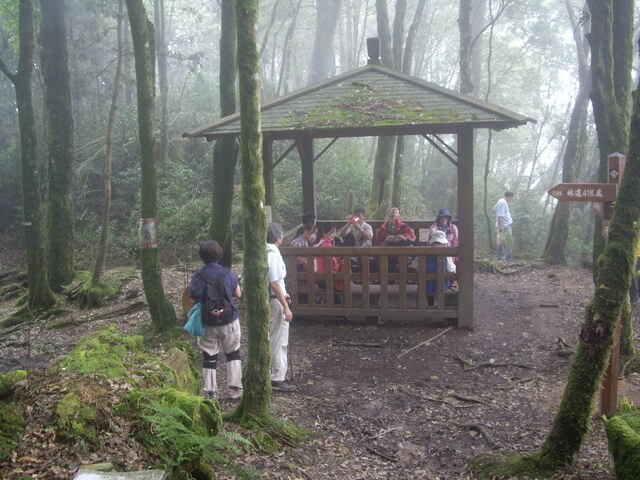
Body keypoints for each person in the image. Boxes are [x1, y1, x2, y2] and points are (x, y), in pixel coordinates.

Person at [189, 240, 243, 401]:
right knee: (233, 352)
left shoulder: (197, 276)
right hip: (229, 319)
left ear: (202, 257)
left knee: (209, 356)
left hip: (207, 321)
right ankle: (234, 389)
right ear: (219, 255)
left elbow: (193, 296)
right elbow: (238, 294)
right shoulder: (229, 273)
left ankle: (211, 392)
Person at [267, 223, 296, 392]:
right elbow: (275, 282)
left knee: (274, 336)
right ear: (279, 237)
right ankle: (277, 377)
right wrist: (286, 307)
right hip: (275, 301)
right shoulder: (273, 254)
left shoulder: (263, 251)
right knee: (278, 338)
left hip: (274, 298)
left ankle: (275, 374)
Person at [426, 230, 457, 305]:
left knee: (429, 287)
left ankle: (430, 304)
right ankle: (442, 305)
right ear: (443, 244)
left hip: (427, 285)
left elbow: (415, 266)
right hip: (442, 285)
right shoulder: (446, 255)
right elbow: (451, 269)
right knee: (445, 283)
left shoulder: (424, 253)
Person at [493, 191, 514, 260]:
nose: (511, 200)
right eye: (511, 198)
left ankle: (502, 257)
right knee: (506, 242)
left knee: (502, 241)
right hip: (504, 226)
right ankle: (505, 258)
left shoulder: (501, 202)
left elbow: (494, 208)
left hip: (504, 225)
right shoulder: (502, 202)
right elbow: (500, 216)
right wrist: (501, 227)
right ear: (509, 196)